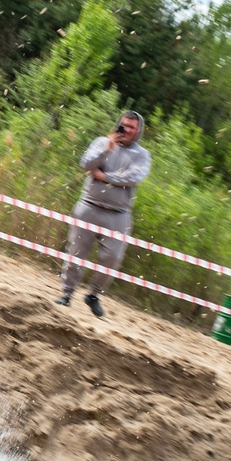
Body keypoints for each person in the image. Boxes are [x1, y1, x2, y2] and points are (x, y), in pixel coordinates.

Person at [58, 112, 149, 317]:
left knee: (113, 258)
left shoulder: (142, 154)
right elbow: (86, 164)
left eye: (131, 127)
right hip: (89, 205)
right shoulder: (102, 142)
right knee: (76, 253)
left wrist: (105, 176)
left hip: (119, 213)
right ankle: (66, 294)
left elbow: (134, 176)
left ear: (138, 131)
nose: (125, 130)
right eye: (123, 125)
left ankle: (94, 295)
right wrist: (106, 150)